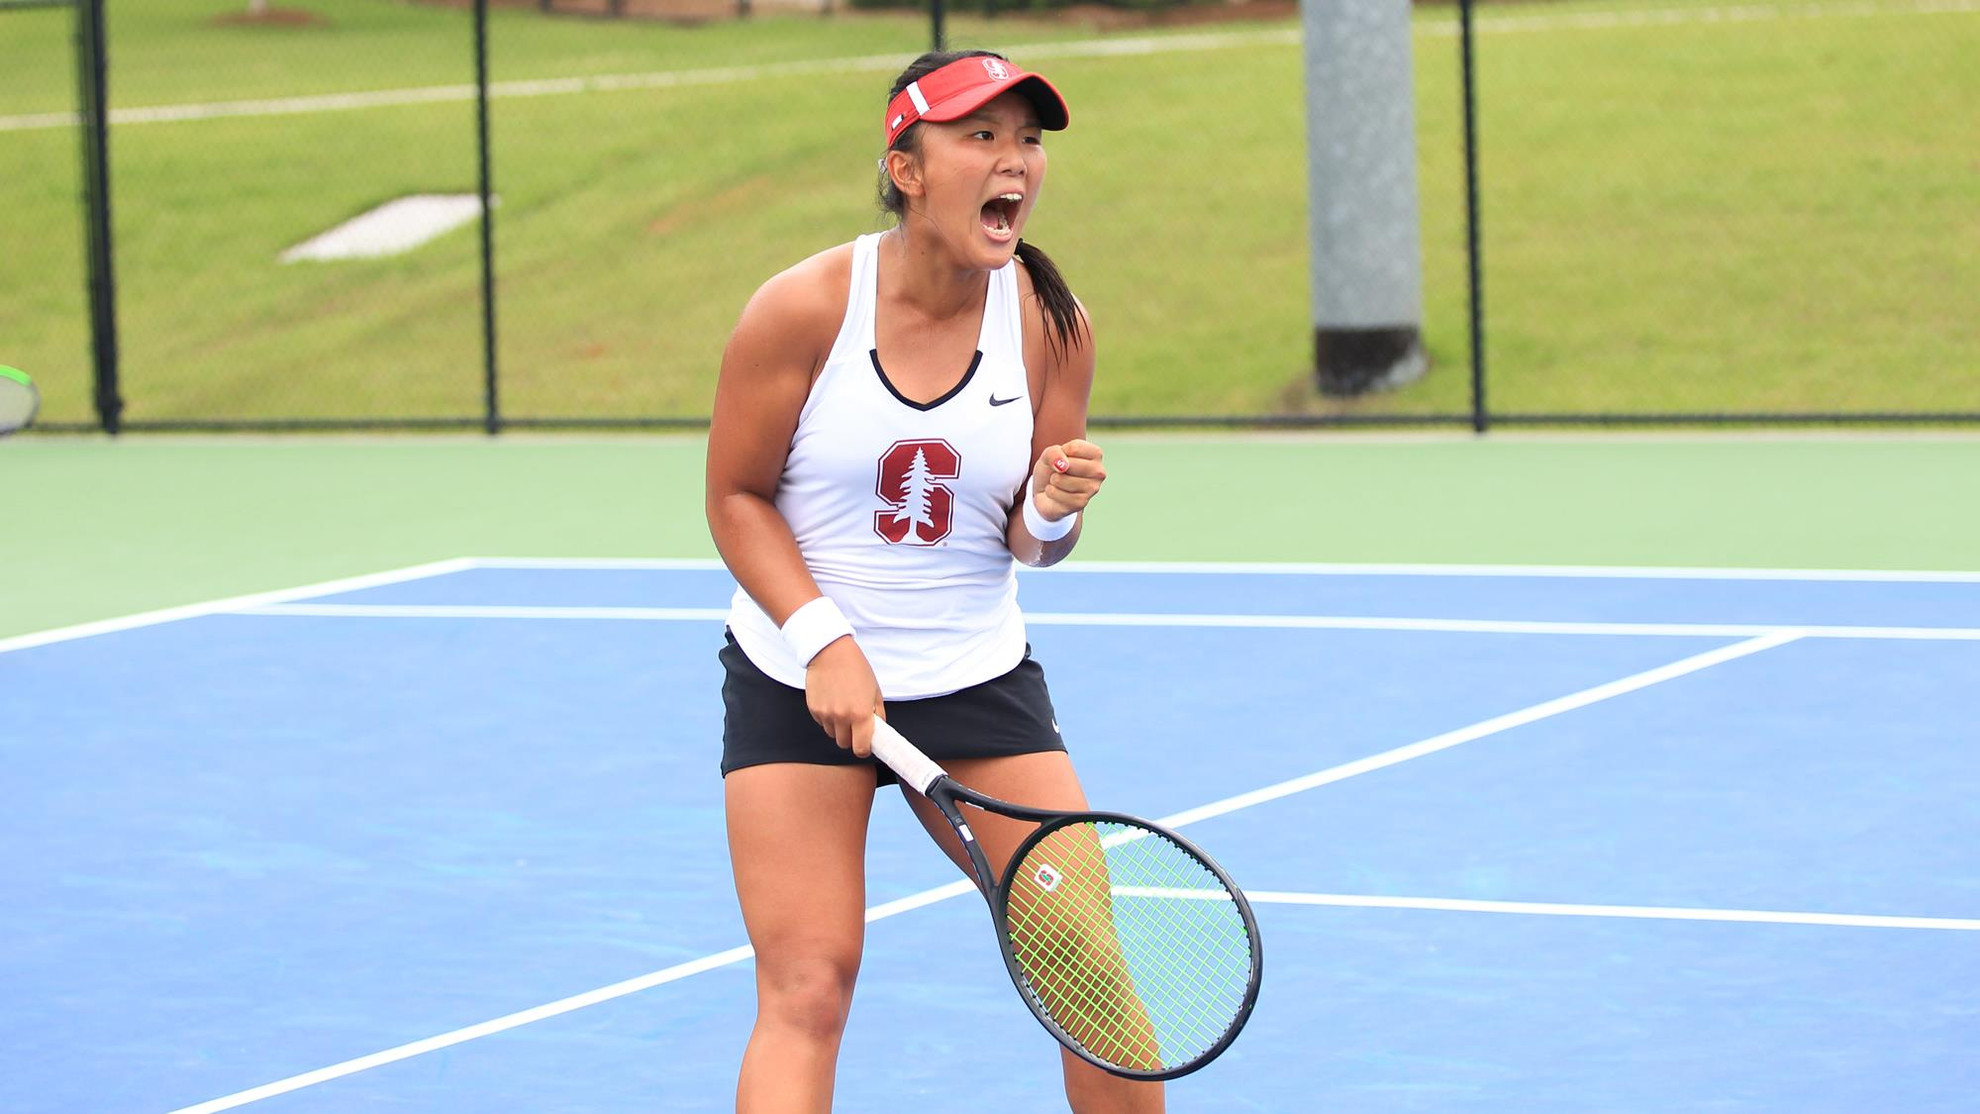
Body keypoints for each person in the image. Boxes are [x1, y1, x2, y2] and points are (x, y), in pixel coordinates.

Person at [704, 49, 1161, 1114]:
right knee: (809, 986)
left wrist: (1053, 507)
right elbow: (734, 497)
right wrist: (822, 639)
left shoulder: (1050, 322)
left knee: (1088, 972)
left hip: (972, 677)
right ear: (906, 170)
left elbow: (1032, 546)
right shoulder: (802, 310)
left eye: (1028, 140)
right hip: (797, 678)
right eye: (981, 137)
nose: (1016, 161)